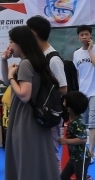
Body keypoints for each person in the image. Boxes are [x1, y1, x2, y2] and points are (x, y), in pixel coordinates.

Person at [5, 26, 63, 180]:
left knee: (25, 166)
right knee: (44, 164)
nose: (10, 45)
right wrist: (6, 64)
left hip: (25, 121)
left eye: (12, 41)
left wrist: (12, 76)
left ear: (20, 43)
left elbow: (23, 94)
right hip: (41, 122)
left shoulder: (26, 65)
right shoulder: (39, 63)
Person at [26, 16, 68, 159]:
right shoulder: (39, 56)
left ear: (32, 33)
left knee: (51, 154)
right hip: (41, 114)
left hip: (50, 114)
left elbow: (63, 88)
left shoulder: (53, 59)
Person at [72, 25, 95, 158]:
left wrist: (91, 50)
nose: (84, 37)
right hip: (83, 92)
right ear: (78, 37)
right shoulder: (76, 54)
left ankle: (90, 152)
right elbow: (78, 73)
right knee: (86, 122)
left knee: (93, 121)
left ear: (91, 35)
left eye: (87, 34)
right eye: (82, 35)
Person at [58, 91, 94, 180]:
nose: (63, 102)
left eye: (65, 101)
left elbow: (83, 139)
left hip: (81, 158)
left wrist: (66, 141)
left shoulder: (77, 122)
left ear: (69, 107)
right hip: (74, 157)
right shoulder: (71, 119)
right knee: (64, 176)